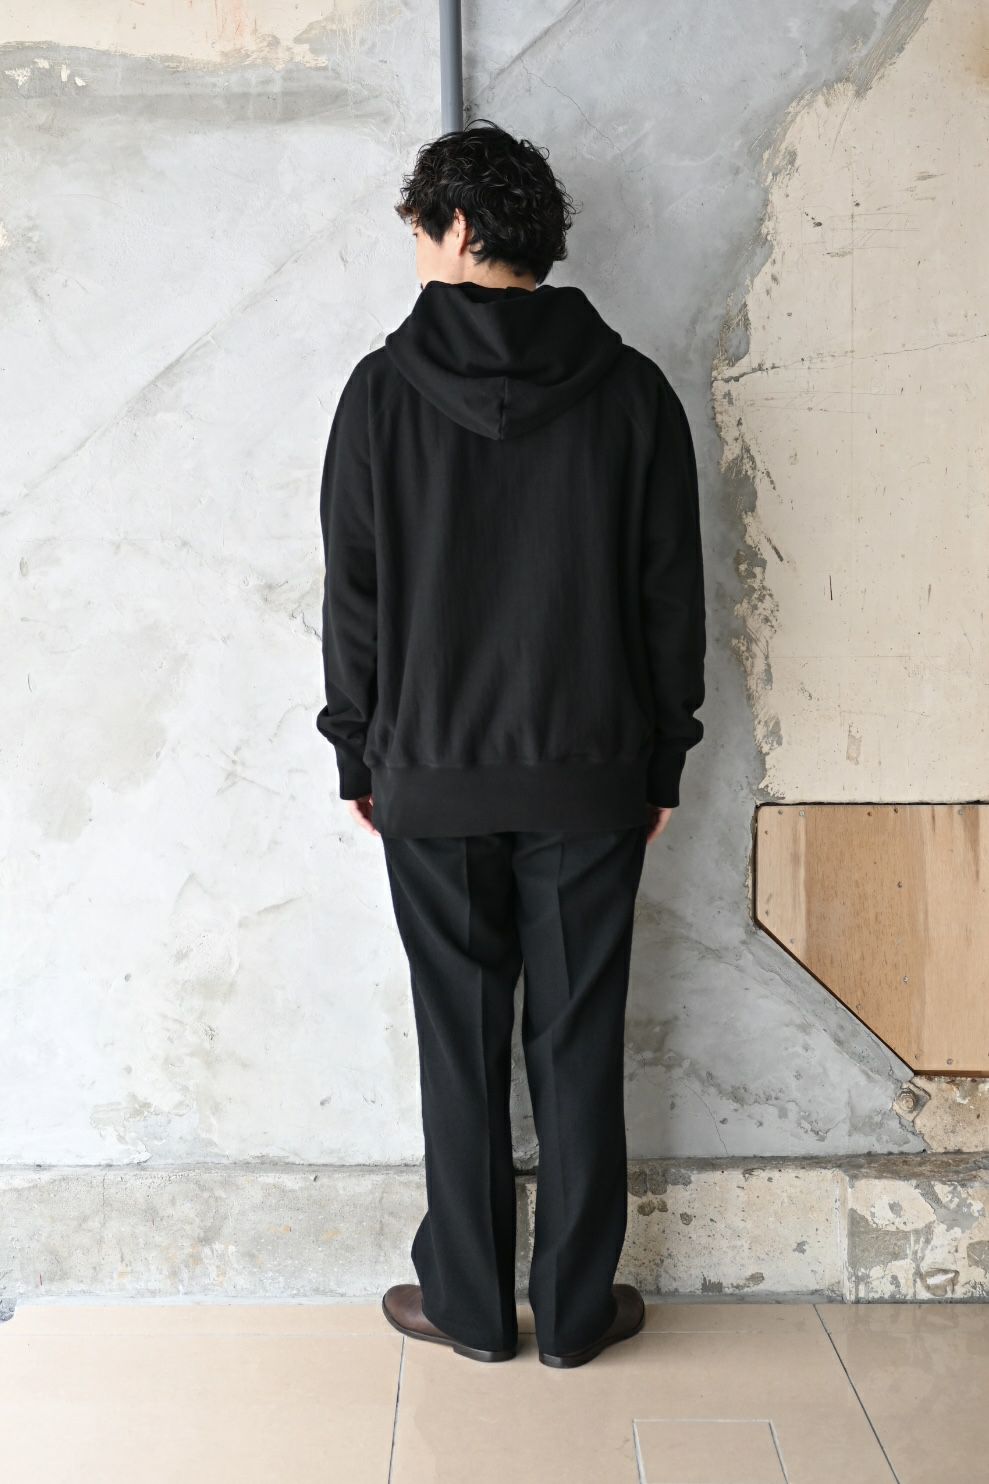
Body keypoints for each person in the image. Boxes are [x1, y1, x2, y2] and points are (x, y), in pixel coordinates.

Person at [316, 119, 706, 1368]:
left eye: (417, 228)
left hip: (428, 772)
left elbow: (354, 593)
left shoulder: (380, 393)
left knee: (458, 1041)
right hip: (590, 774)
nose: (413, 250)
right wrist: (662, 756)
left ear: (457, 228)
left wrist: (356, 748)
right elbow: (669, 596)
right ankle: (576, 1312)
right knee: (578, 1042)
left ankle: (471, 1305)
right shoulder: (632, 392)